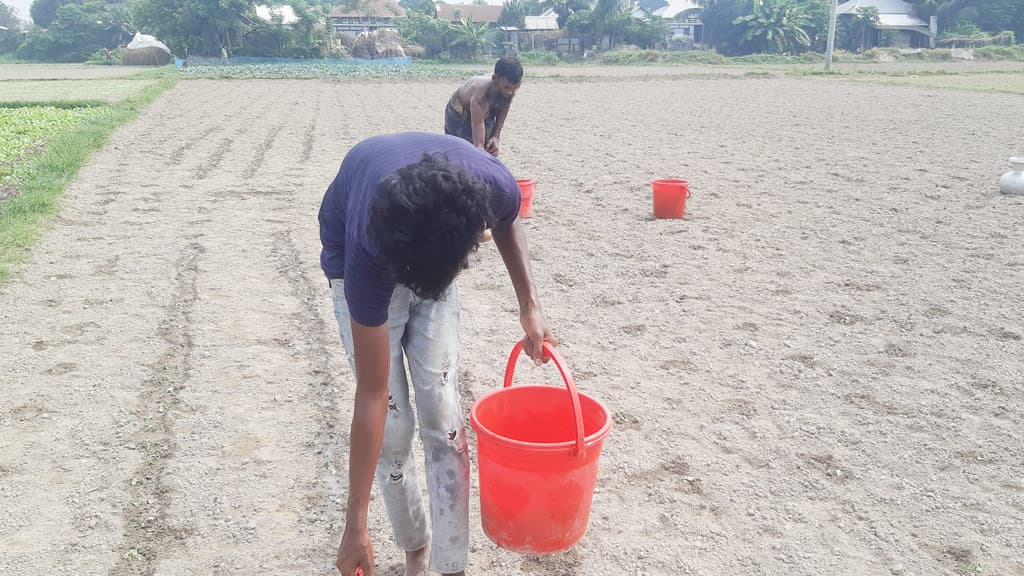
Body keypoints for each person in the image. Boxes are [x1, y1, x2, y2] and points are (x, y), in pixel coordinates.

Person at [319, 132, 554, 576]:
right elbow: (371, 393)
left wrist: (530, 305)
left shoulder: (489, 181)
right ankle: (416, 549)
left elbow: (508, 219)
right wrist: (355, 525)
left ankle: (452, 566)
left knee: (444, 417)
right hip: (367, 260)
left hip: (428, 248)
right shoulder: (370, 250)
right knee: (392, 427)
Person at [444, 57, 523, 158]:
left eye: (515, 88)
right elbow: (479, 146)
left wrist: (496, 136)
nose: (510, 92)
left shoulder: (505, 90)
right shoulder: (479, 96)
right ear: (495, 79)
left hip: (486, 109)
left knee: (490, 148)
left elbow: (505, 105)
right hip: (458, 113)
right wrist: (480, 152)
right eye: (507, 87)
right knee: (463, 152)